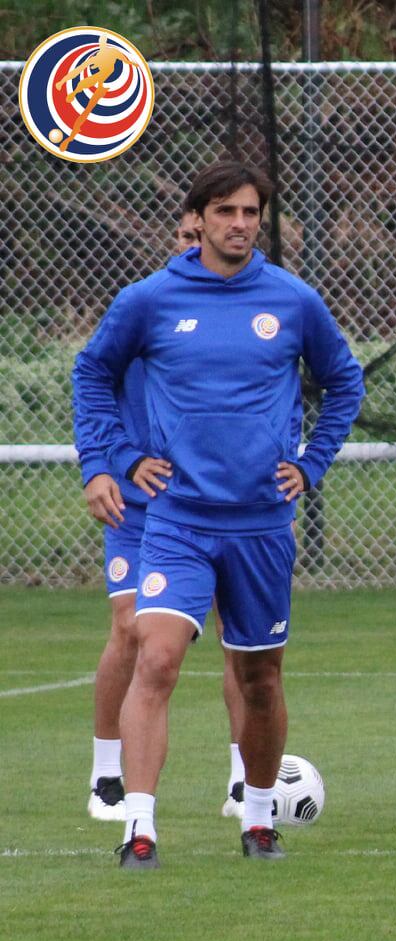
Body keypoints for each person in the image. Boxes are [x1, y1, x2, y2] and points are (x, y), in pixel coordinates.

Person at [72, 162, 365, 867]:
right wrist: (112, 460)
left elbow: (345, 380)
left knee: (261, 679)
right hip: (177, 521)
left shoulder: (292, 300)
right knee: (156, 657)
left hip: (261, 527)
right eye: (226, 212)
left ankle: (258, 820)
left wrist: (312, 463)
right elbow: (93, 373)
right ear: (198, 219)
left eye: (250, 213)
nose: (240, 224)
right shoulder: (150, 299)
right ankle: (138, 827)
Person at [77, 209, 252, 823]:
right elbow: (92, 383)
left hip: (220, 503)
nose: (196, 244)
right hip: (140, 501)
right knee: (132, 629)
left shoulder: (248, 313)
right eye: (187, 235)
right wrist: (98, 467)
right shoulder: (144, 307)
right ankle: (107, 775)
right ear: (179, 238)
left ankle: (244, 783)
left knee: (241, 639)